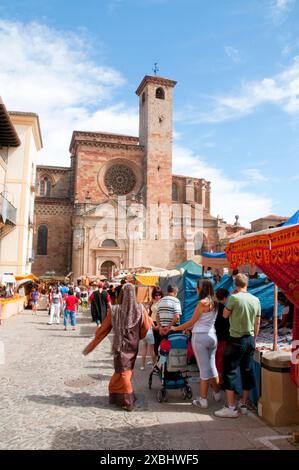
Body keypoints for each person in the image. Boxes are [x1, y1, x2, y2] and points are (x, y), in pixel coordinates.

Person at [83, 283, 151, 411]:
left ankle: (128, 400)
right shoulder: (140, 309)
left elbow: (104, 329)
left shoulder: (115, 310)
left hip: (120, 346)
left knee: (123, 372)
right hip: (133, 345)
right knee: (124, 370)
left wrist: (95, 339)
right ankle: (116, 395)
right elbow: (146, 327)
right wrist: (137, 336)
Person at [215, 273, 261, 418]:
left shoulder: (234, 298)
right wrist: (254, 338)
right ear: (247, 284)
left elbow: (224, 315)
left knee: (230, 371)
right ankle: (243, 403)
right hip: (250, 339)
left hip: (235, 339)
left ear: (235, 284)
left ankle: (231, 407)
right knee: (247, 370)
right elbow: (257, 322)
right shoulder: (256, 299)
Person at [171, 279, 221, 408]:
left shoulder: (201, 303)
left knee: (204, 370)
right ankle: (217, 393)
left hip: (200, 337)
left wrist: (176, 328)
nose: (196, 290)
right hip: (212, 336)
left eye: (197, 287)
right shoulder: (215, 302)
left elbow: (191, 321)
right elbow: (202, 321)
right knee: (212, 366)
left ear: (201, 289)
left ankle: (203, 400)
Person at [215, 288, 230, 386]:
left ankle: (214, 381)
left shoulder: (212, 308)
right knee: (219, 360)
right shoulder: (225, 310)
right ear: (224, 298)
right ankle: (218, 382)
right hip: (222, 338)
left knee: (214, 359)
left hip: (213, 336)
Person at [149, 287, 163, 356]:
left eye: (159, 295)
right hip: (152, 323)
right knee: (153, 342)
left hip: (159, 323)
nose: (158, 297)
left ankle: (158, 360)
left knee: (158, 342)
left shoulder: (162, 302)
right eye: (156, 295)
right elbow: (151, 313)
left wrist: (159, 325)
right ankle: (155, 359)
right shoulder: (152, 301)